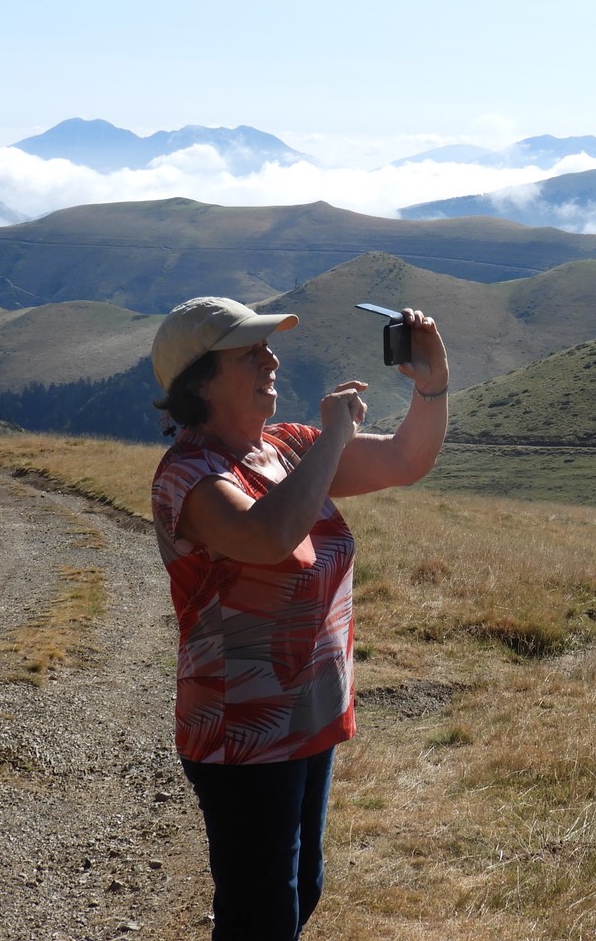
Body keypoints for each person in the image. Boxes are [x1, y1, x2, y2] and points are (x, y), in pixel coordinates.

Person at [149, 295, 449, 941]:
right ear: (200, 382)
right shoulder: (188, 475)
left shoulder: (286, 448)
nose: (272, 360)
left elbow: (406, 460)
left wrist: (432, 385)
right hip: (242, 731)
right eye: (250, 353)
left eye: (269, 347)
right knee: (262, 914)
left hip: (309, 717)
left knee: (300, 888)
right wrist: (335, 434)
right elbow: (267, 537)